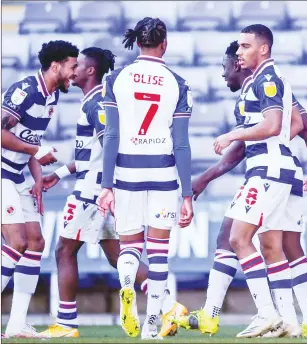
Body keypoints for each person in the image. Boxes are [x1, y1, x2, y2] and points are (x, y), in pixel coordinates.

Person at [174, 40, 307, 338]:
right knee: (280, 247)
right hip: (285, 171)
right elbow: (303, 126)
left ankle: (260, 313)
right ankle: (306, 321)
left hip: (268, 171)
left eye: (227, 65)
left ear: (241, 62)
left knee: (235, 237)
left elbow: (273, 127)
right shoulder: (271, 86)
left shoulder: (265, 82)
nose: (225, 73)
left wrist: (232, 134)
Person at [38, 47, 187, 338]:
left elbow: (110, 145)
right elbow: (87, 155)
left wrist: (109, 187)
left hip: (92, 193)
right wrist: (58, 174)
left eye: (78, 65)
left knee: (64, 250)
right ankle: (170, 307)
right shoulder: (94, 102)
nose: (73, 70)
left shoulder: (96, 104)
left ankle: (66, 323)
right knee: (118, 256)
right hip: (99, 188)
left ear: (90, 71)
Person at [96, 17, 194, 340]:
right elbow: (181, 143)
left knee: (131, 245)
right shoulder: (177, 82)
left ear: (137, 43)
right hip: (163, 171)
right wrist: (188, 194)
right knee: (159, 250)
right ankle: (152, 325)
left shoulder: (116, 79)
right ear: (164, 44)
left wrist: (106, 185)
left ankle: (127, 286)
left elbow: (110, 136)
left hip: (126, 170)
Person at [1, 40, 79, 338]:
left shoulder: (51, 97)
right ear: (56, 66)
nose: (75, 72)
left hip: (18, 176)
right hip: (1, 173)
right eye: (72, 67)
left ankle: (17, 324)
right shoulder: (26, 90)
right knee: (17, 241)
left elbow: (33, 143)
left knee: (36, 242)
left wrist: (36, 180)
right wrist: (35, 153)